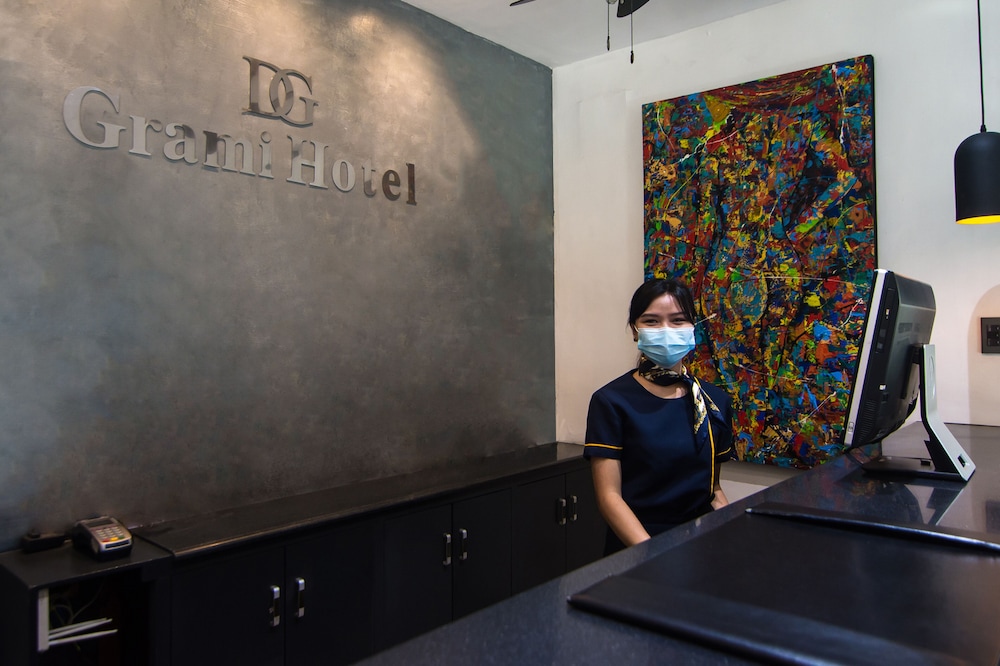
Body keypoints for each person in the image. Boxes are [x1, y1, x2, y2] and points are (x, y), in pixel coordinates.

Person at [584, 278, 734, 554]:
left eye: (678, 320)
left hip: (701, 545)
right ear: (635, 330)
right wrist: (653, 554)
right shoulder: (611, 401)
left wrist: (730, 534)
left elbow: (713, 489)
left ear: (693, 328)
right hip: (638, 547)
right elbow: (609, 496)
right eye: (651, 321)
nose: (666, 330)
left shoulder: (713, 402)